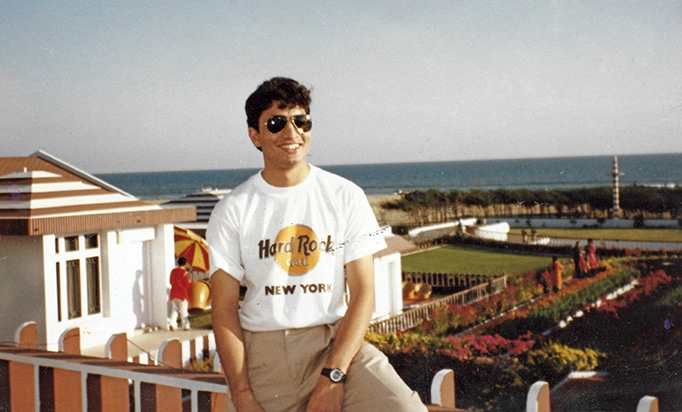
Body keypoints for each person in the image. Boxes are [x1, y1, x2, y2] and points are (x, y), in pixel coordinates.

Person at [206, 77, 426, 412]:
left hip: (334, 345)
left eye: (301, 121)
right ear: (255, 135)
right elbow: (223, 309)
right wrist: (241, 393)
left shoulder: (346, 196)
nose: (292, 133)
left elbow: (363, 293)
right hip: (264, 357)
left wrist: (333, 376)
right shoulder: (232, 209)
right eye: (276, 123)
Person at [168, 256, 193, 331]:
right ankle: (186, 326)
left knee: (174, 309)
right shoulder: (184, 273)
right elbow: (187, 285)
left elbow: (171, 282)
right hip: (182, 294)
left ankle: (172, 324)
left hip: (173, 293)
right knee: (183, 310)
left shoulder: (173, 271)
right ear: (185, 264)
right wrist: (192, 282)